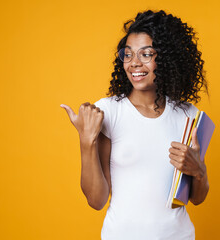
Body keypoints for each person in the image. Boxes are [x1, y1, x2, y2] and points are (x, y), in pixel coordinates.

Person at [61, 10, 209, 240]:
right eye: (128, 54)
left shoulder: (188, 115)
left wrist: (199, 171)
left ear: (166, 58)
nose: (134, 63)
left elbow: (197, 199)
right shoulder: (109, 112)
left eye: (146, 54)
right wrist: (86, 141)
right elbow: (96, 200)